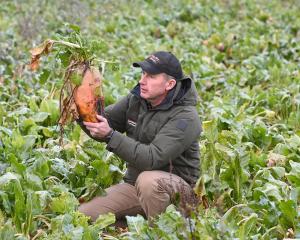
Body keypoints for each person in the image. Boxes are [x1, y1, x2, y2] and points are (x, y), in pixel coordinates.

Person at [78, 51, 202, 223]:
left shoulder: (186, 117)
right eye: (143, 74)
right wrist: (80, 108)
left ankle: (163, 230)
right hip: (135, 186)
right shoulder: (136, 100)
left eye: (151, 76)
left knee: (148, 181)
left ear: (170, 84)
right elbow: (104, 123)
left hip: (179, 192)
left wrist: (110, 135)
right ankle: (136, 221)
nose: (142, 81)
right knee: (85, 215)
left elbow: (151, 158)